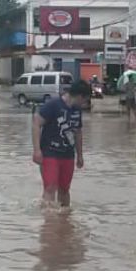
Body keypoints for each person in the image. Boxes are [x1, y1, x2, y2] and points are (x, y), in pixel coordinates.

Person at [32, 79, 92, 207]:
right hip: (49, 153)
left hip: (68, 155)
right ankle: (49, 222)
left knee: (64, 189)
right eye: (85, 100)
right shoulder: (53, 105)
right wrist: (37, 150)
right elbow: (36, 123)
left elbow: (78, 132)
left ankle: (64, 220)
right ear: (80, 96)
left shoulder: (77, 110)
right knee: (50, 187)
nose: (85, 103)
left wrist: (80, 155)